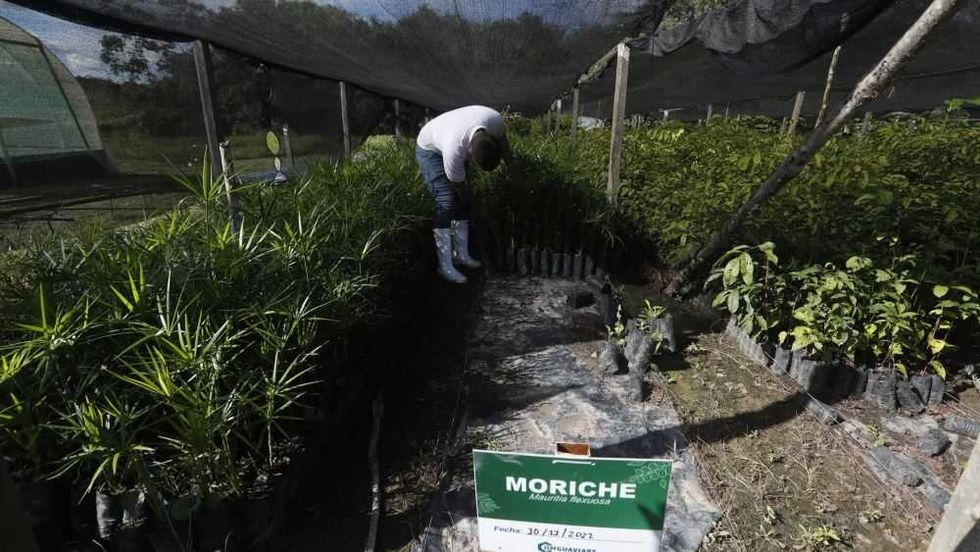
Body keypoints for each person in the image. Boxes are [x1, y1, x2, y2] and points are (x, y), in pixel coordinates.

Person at [415, 105, 512, 283]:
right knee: (447, 200)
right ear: (469, 153)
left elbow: (503, 143)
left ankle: (461, 255)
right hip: (429, 149)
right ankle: (445, 266)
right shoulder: (454, 148)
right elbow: (459, 185)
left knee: (462, 203)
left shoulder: (495, 121)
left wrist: (514, 170)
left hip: (453, 132)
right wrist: (477, 207)